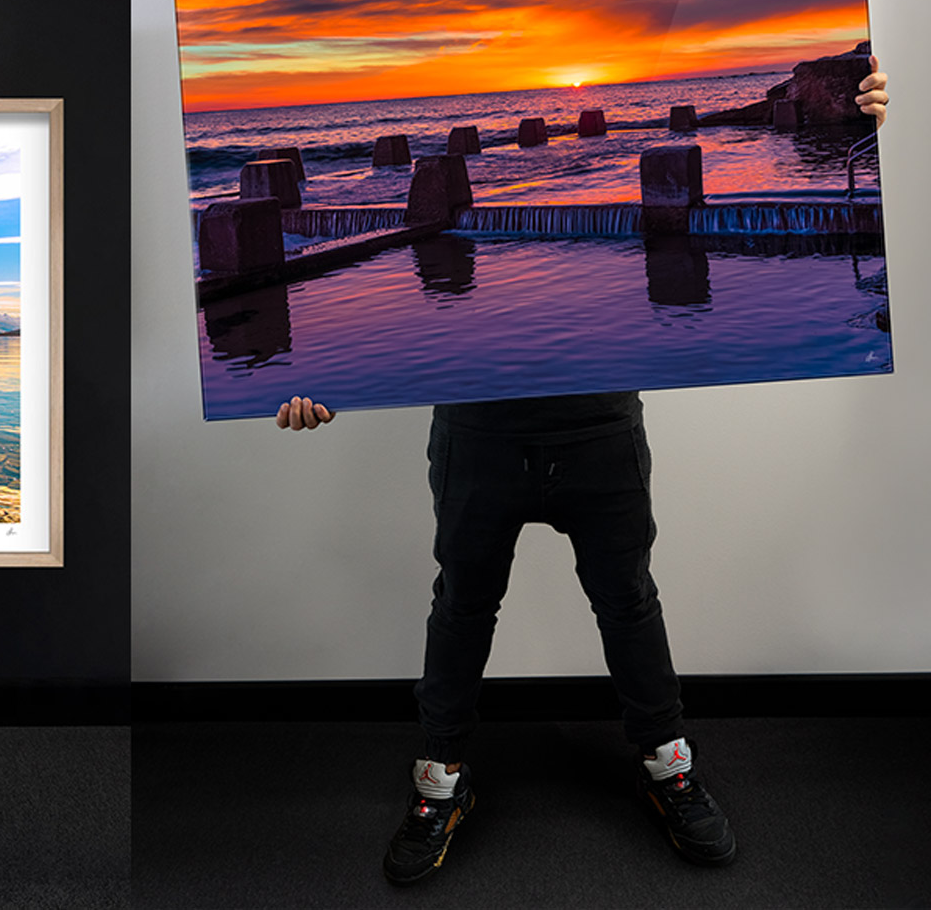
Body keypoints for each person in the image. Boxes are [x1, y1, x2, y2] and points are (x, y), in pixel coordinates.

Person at [277, 60, 889, 885]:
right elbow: (377, 315)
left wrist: (868, 129)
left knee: (628, 599)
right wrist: (314, 379)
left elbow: (873, 223)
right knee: (461, 605)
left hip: (599, 424)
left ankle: (669, 764)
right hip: (476, 430)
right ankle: (440, 781)